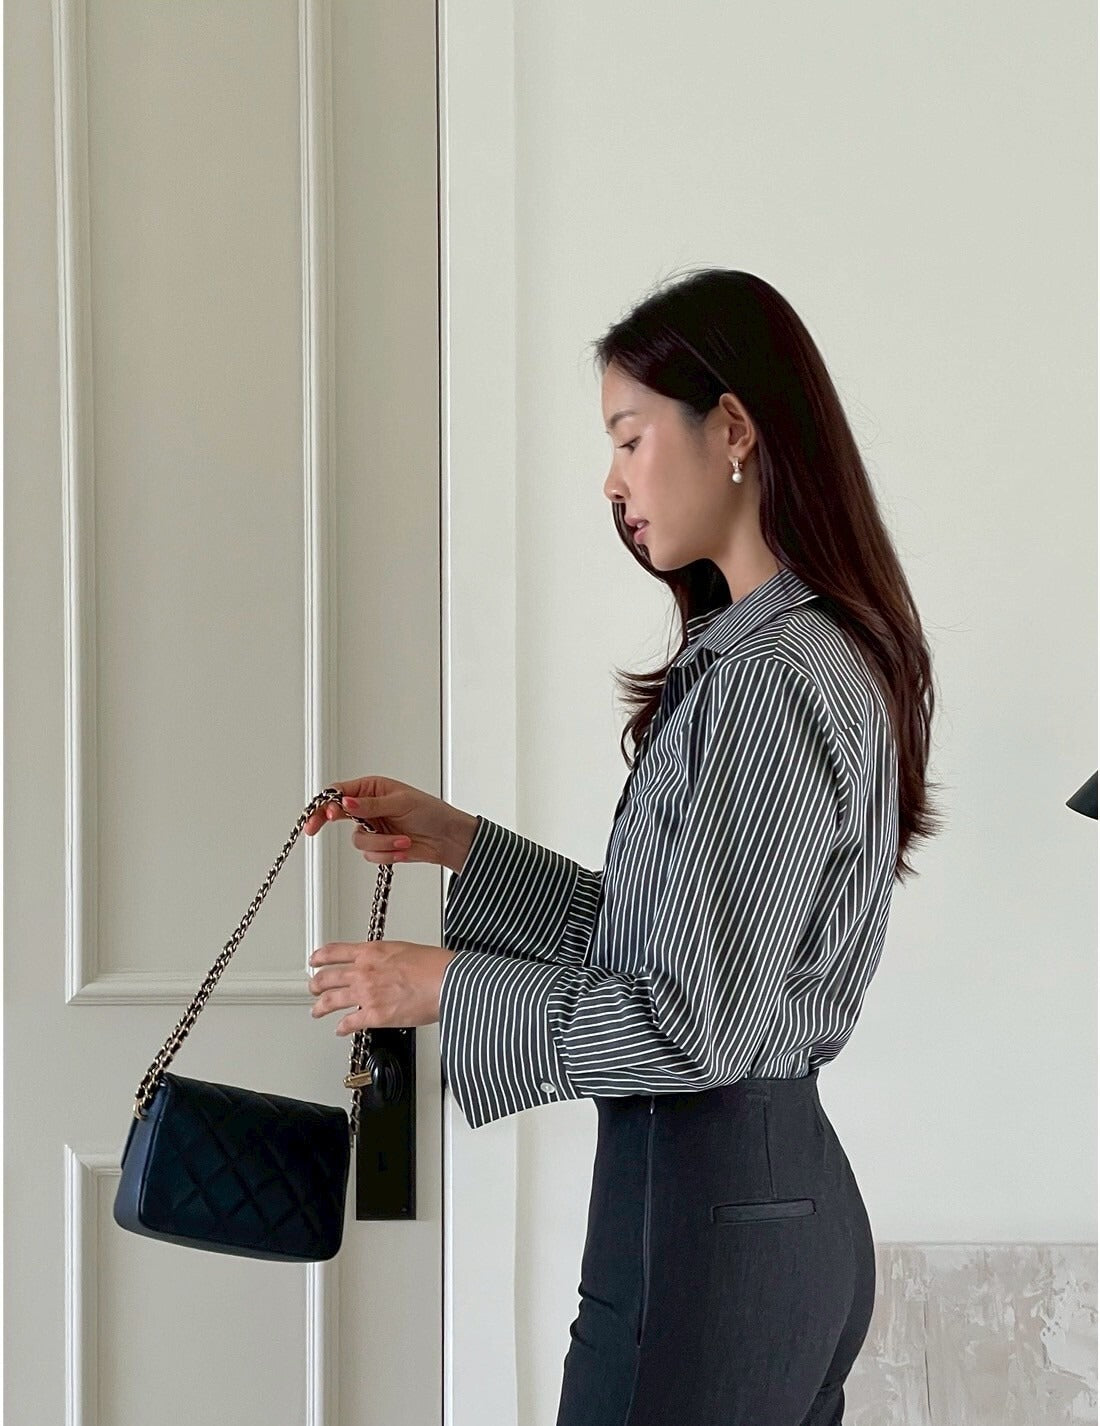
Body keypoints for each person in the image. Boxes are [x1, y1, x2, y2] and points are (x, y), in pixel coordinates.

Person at [307, 268, 941, 1426]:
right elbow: (671, 950)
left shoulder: (765, 682)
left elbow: (689, 1023)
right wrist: (462, 844)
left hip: (703, 1225)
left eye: (629, 436)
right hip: (757, 1210)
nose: (611, 479)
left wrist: (441, 985)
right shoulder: (788, 657)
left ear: (731, 430)